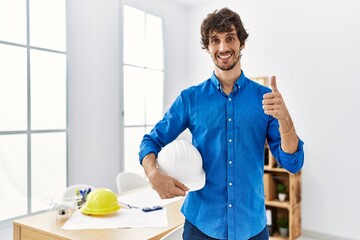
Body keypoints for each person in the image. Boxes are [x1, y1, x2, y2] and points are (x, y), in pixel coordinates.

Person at [138, 7, 304, 240]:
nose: (223, 48)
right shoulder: (190, 99)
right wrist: (153, 174)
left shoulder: (264, 99)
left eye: (230, 38)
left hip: (252, 228)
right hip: (201, 227)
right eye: (215, 40)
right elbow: (151, 141)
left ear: (241, 44)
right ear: (208, 48)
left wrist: (285, 118)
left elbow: (292, 162)